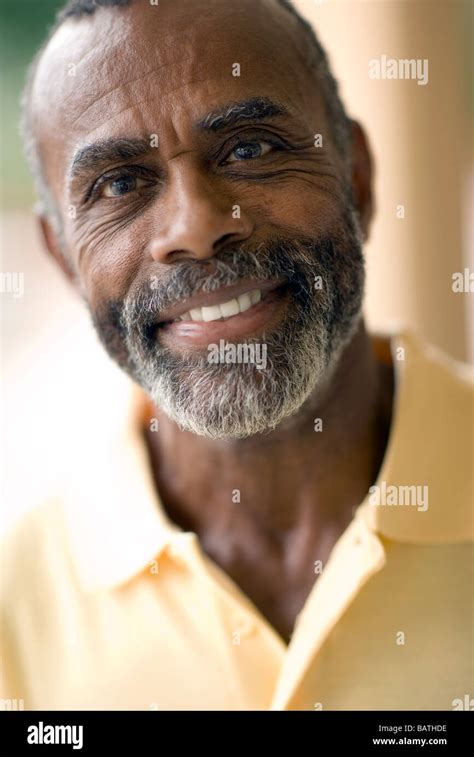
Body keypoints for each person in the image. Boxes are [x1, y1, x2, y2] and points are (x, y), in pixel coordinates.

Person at [1, 0, 472, 710]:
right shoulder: (16, 609)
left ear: (360, 177)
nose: (195, 228)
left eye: (250, 148)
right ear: (64, 260)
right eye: (121, 184)